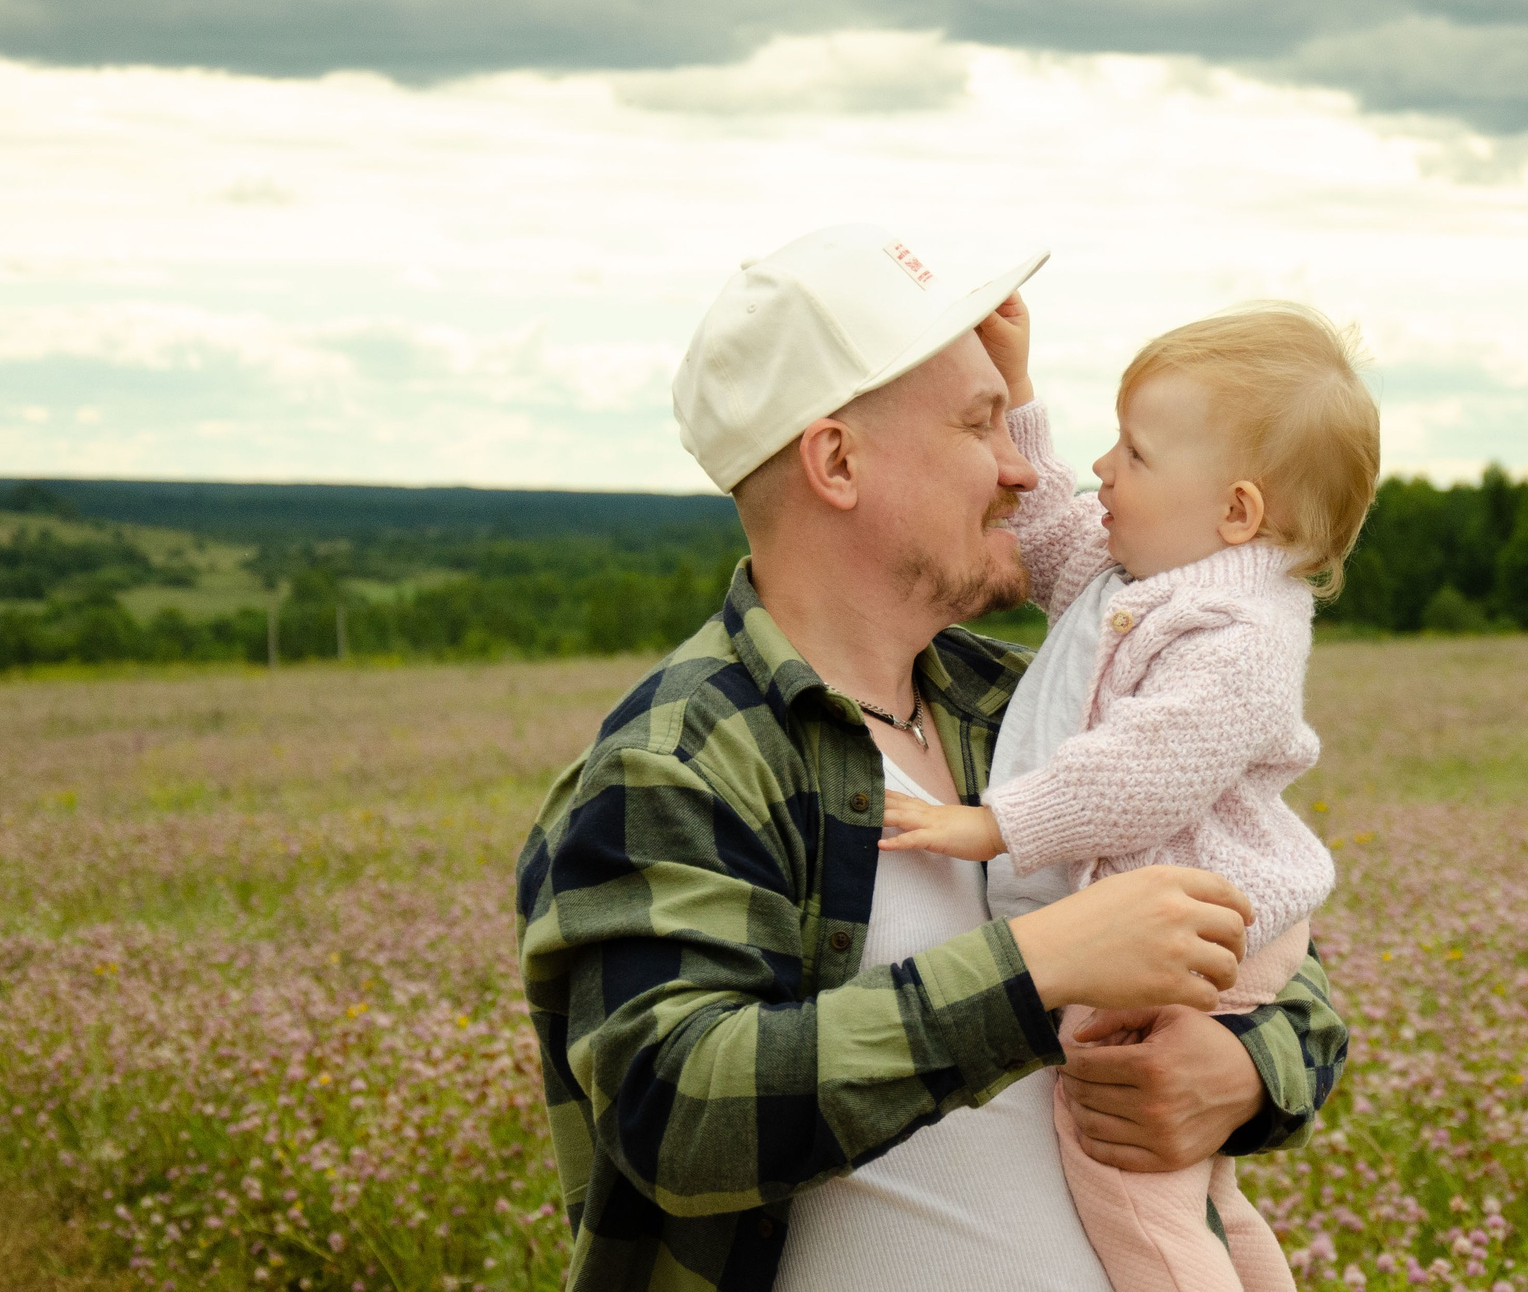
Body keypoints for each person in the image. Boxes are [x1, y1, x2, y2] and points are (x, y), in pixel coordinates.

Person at [515, 226, 1349, 1292]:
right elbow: (673, 1115)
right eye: (977, 423)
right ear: (837, 461)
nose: (1021, 466)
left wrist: (1241, 1068)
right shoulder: (683, 758)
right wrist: (1035, 965)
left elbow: (1285, 962)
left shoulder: (1017, 701)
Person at [881, 296, 1379, 1292]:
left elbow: (1145, 768)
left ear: (1235, 511)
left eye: (1137, 454)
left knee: (1124, 1186)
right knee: (1198, 1196)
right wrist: (1019, 391)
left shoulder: (1242, 634)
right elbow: (1055, 529)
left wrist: (992, 823)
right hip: (1197, 921)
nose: (1104, 467)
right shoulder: (1140, 581)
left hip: (1201, 932)